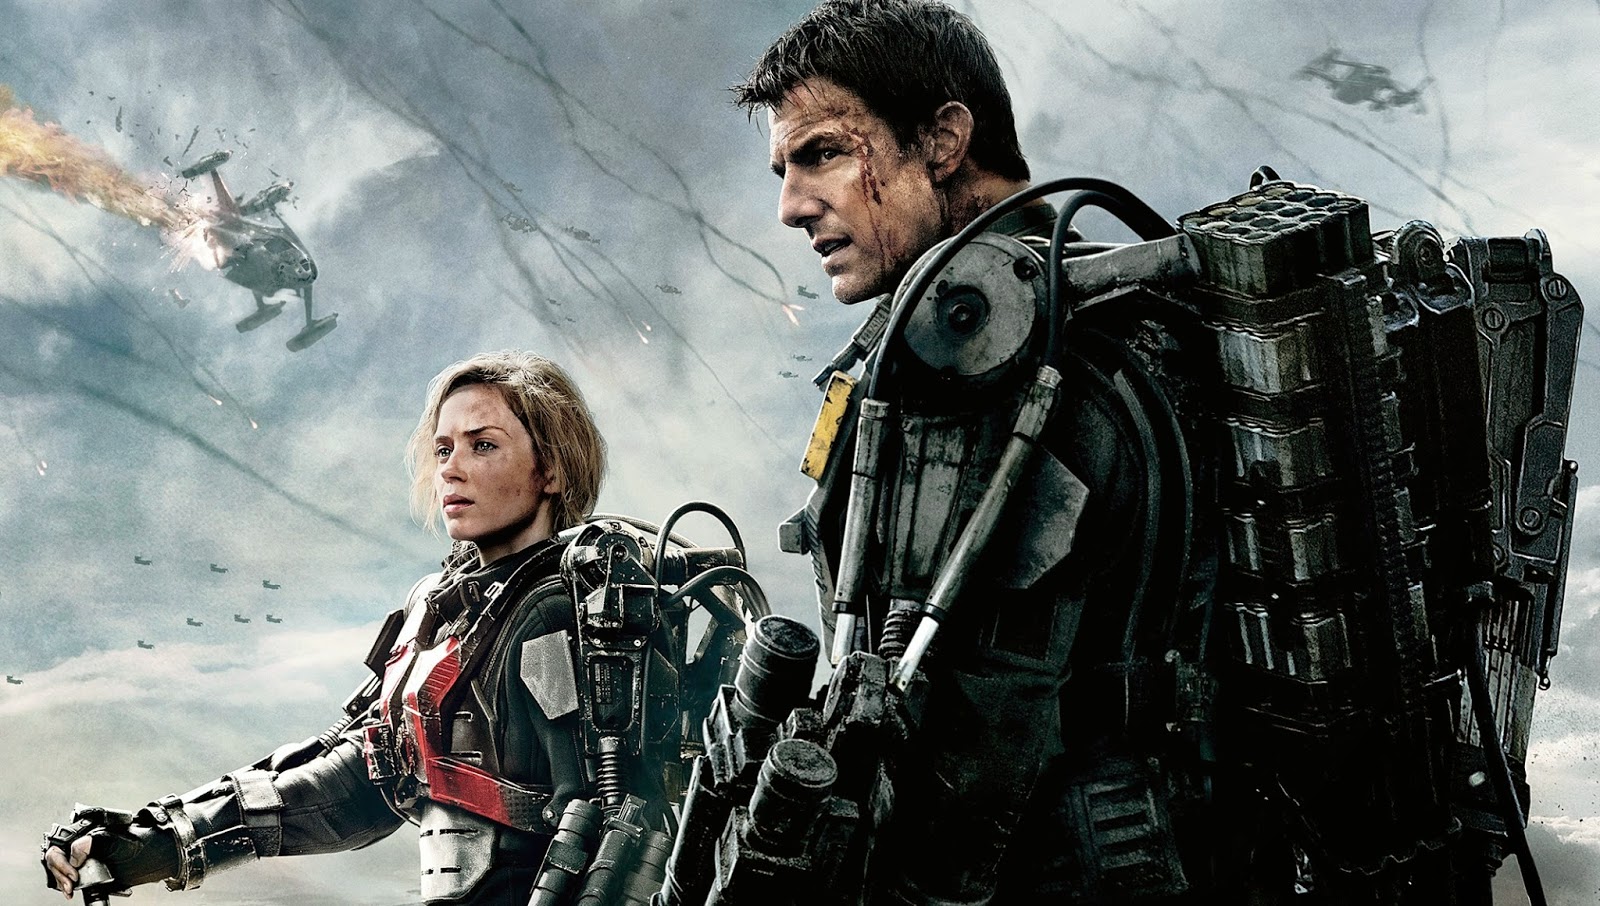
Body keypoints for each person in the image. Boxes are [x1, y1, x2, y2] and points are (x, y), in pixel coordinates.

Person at [738, 3, 1211, 903]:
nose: (792, 206)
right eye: (784, 169)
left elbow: (965, 778)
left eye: (824, 153)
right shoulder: (1120, 319)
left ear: (944, 140)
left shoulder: (992, 363)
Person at [44, 350, 615, 905]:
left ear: (551, 469)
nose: (450, 468)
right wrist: (162, 838)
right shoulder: (439, 609)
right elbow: (362, 779)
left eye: (482, 445)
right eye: (443, 448)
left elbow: (620, 821)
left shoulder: (575, 613)